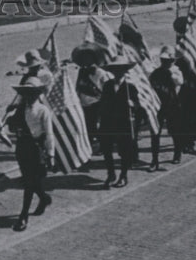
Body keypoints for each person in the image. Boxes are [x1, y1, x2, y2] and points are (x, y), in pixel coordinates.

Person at [6, 74, 54, 231]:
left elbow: (49, 133)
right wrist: (10, 119)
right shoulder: (20, 110)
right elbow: (12, 129)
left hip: (36, 149)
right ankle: (44, 197)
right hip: (22, 148)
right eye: (27, 94)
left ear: (38, 94)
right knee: (30, 181)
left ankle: (23, 215)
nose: (30, 97)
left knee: (29, 183)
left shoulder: (43, 110)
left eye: (33, 94)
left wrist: (51, 154)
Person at [97, 58, 140, 188]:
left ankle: (123, 175)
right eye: (115, 70)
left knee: (124, 150)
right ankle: (111, 174)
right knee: (106, 149)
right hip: (108, 122)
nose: (118, 73)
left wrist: (132, 104)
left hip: (123, 123)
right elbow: (103, 103)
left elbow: (138, 104)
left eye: (121, 70)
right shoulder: (107, 85)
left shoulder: (130, 87)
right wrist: (99, 119)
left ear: (125, 71)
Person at [147, 47, 189, 170]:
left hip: (173, 104)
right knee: (155, 132)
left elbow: (179, 82)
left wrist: (169, 72)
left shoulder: (176, 71)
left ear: (172, 61)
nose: (165, 63)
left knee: (175, 130)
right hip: (158, 104)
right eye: (163, 60)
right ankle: (154, 160)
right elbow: (151, 84)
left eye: (168, 60)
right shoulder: (157, 72)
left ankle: (177, 152)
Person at [72, 42, 110, 163]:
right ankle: (88, 149)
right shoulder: (81, 72)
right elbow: (78, 87)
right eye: (82, 58)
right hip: (84, 104)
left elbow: (106, 89)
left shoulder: (101, 73)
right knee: (88, 127)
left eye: (87, 57)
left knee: (99, 128)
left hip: (97, 103)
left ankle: (103, 147)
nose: (85, 60)